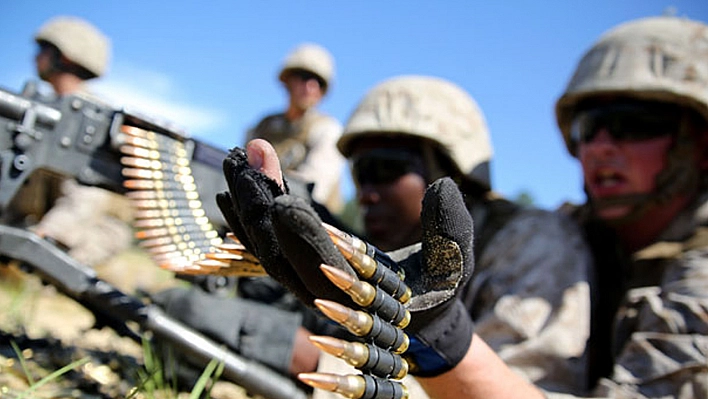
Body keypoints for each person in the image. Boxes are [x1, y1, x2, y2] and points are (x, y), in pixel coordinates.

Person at [217, 75, 593, 397]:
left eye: (385, 169)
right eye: (361, 174)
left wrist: (304, 355)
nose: (365, 193)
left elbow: (515, 389)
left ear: (447, 173)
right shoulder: (388, 251)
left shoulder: (533, 243)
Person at [14, 16, 134, 268]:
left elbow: (89, 193)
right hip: (32, 215)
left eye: (43, 50)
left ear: (64, 57)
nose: (35, 57)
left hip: (79, 229)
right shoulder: (44, 106)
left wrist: (43, 237)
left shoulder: (97, 119)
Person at [246, 42, 346, 215]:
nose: (311, 87)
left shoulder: (327, 129)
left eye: (319, 83)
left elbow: (313, 190)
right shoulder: (263, 127)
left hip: (310, 222)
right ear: (288, 80)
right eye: (304, 77)